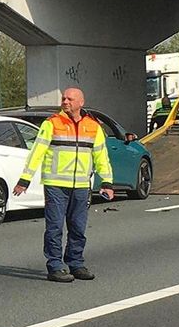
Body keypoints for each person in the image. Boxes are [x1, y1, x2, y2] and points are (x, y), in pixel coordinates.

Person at [12, 87, 114, 283]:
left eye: (70, 99)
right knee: (55, 227)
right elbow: (37, 152)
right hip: (55, 184)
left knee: (77, 227)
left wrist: (107, 182)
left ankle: (76, 262)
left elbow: (101, 156)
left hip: (81, 185)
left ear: (80, 102)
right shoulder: (52, 124)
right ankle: (55, 265)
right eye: (63, 98)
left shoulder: (93, 127)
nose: (65, 101)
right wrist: (25, 179)